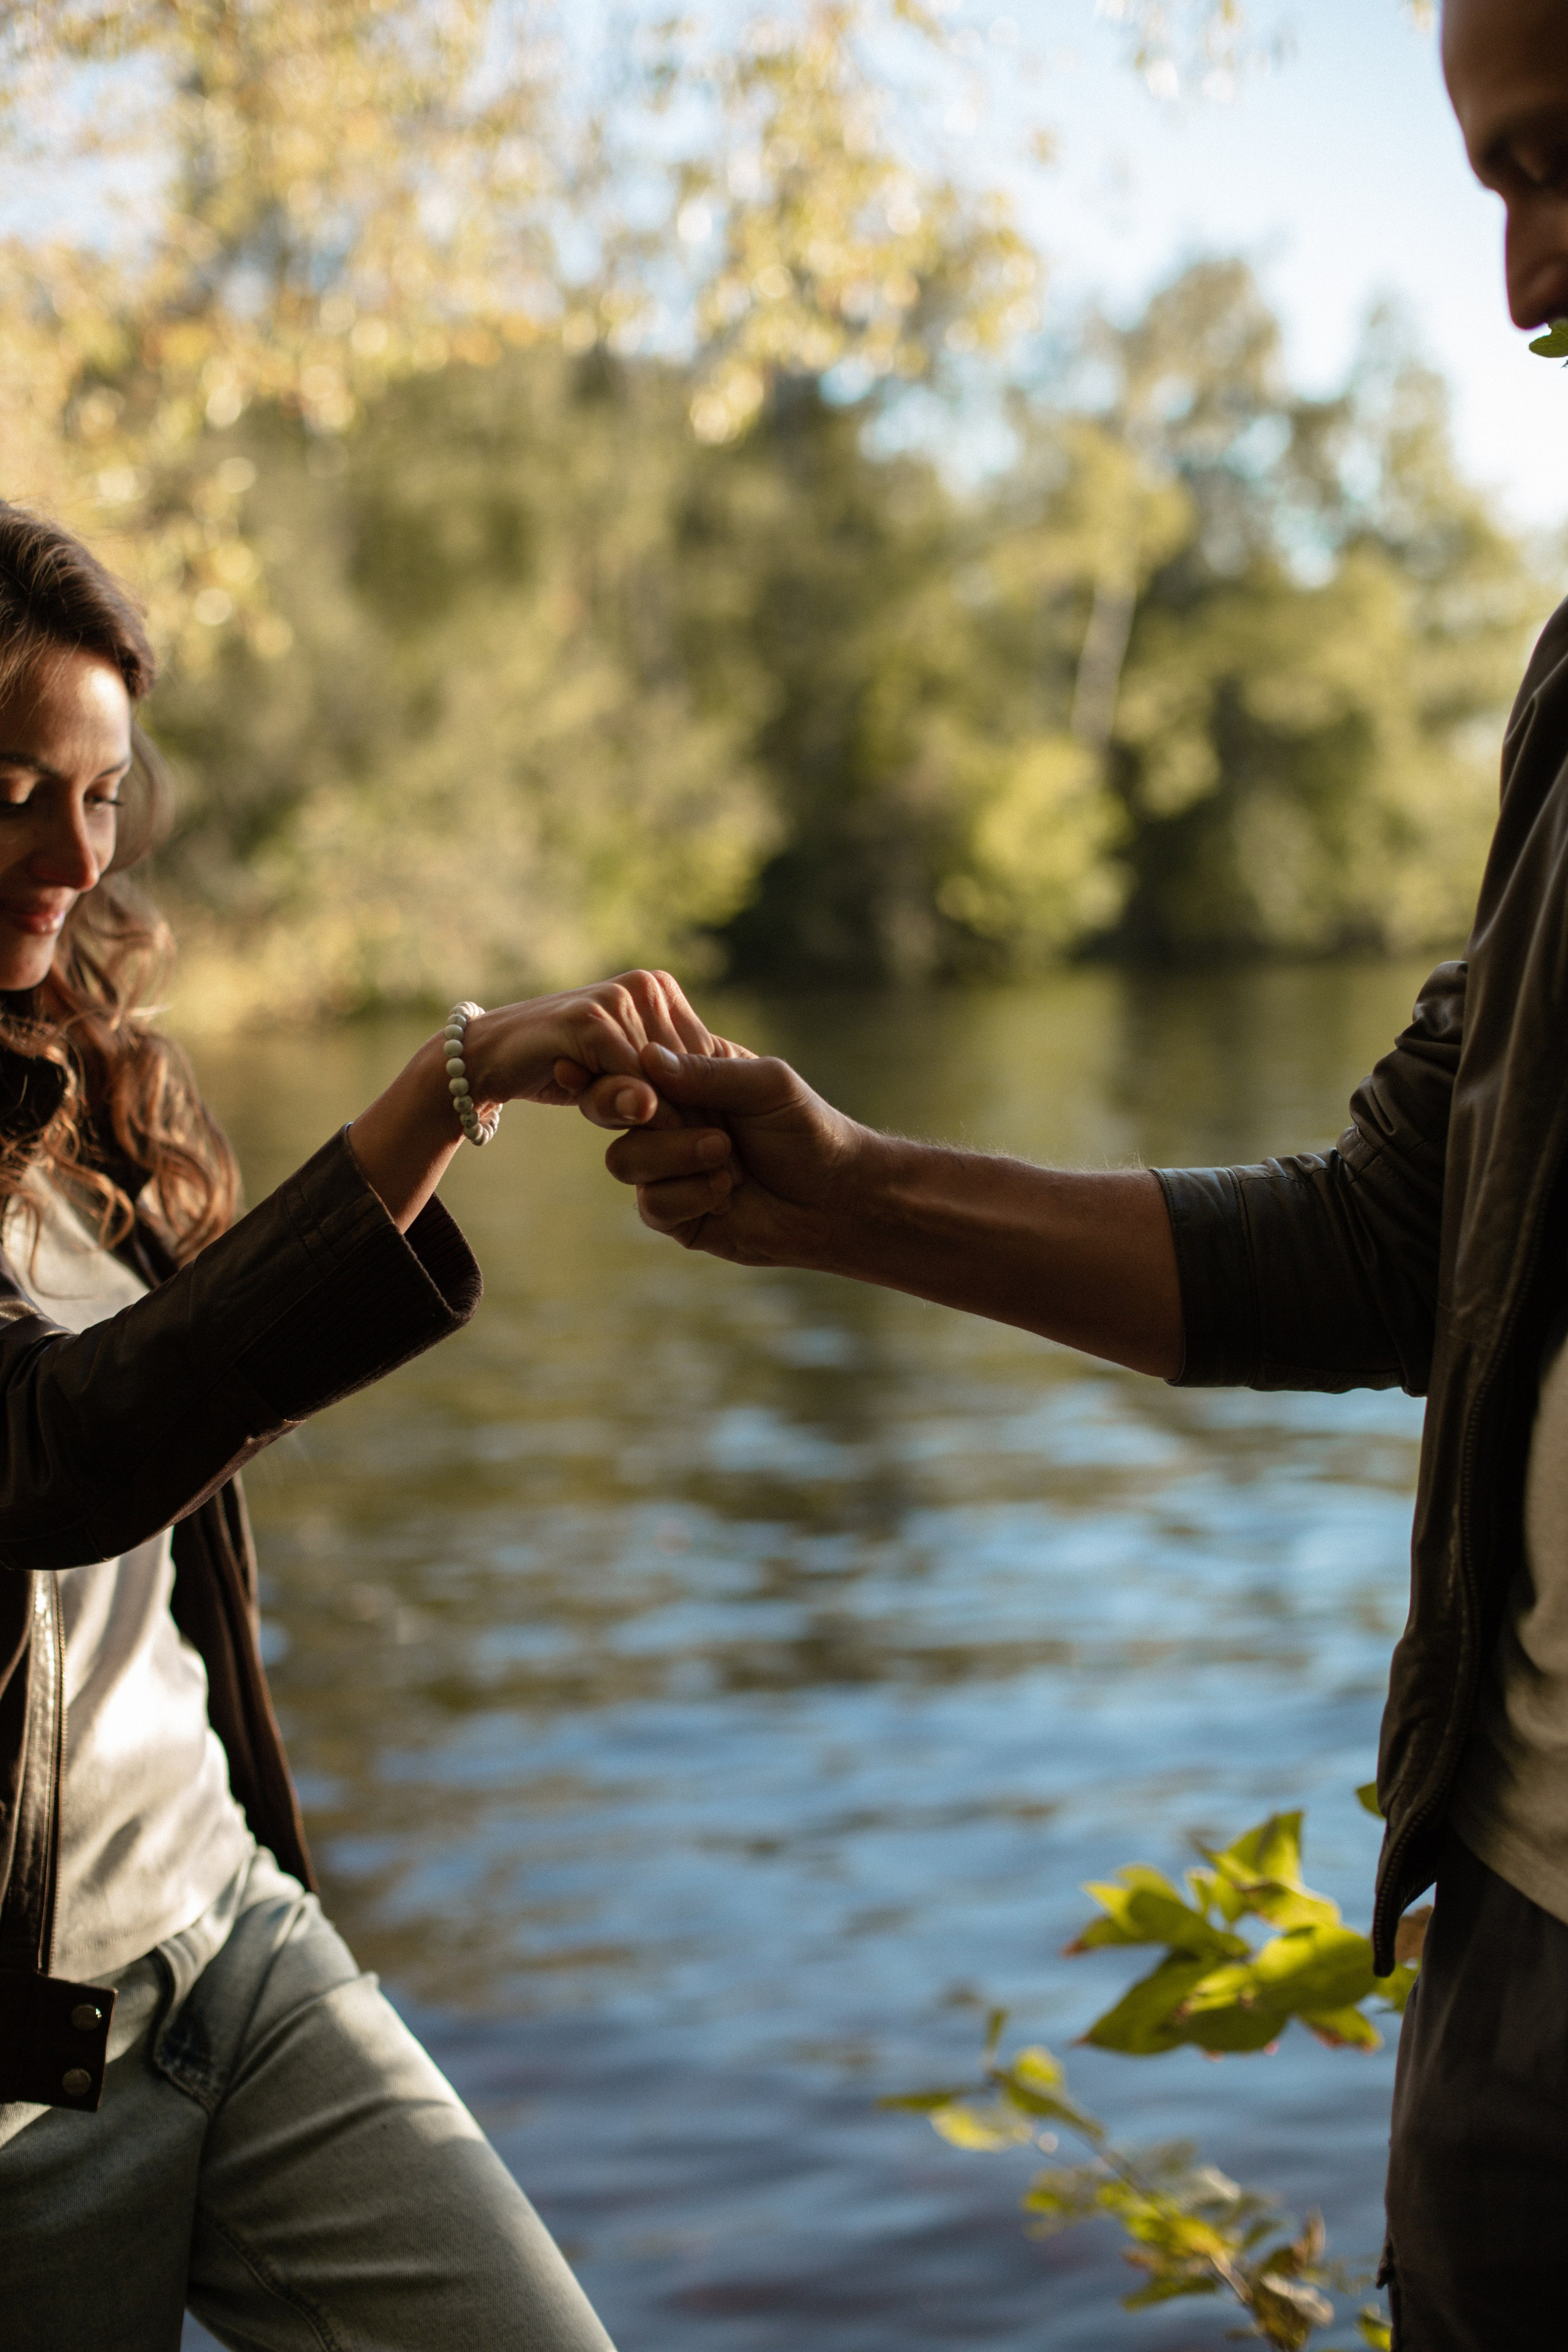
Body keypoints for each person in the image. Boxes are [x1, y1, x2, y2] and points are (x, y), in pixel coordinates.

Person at [570, 3, 1568, 2340]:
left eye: (1560, 163)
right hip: (1525, 1966)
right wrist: (842, 1195)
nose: (1525, 280)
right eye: (1494, 190)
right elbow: (1378, 1242)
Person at [0, 499, 732, 2350]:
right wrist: (449, 1081)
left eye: (99, 797)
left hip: (225, 1938)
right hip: (16, 2068)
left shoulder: (98, 1079)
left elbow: (191, 1424)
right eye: (13, 790)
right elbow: (62, 1456)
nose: (67, 855)